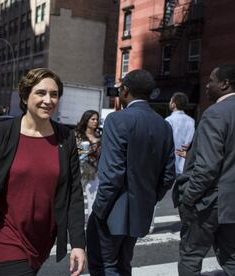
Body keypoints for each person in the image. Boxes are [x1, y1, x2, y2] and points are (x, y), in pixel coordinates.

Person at [0, 68, 86, 276]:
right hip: (5, 235)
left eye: (54, 94)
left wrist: (78, 243)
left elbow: (74, 193)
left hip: (42, 238)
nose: (48, 100)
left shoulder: (65, 138)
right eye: (41, 93)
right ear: (24, 96)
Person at [86, 69, 175, 275]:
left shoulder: (117, 120)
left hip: (111, 210)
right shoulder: (163, 125)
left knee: (104, 266)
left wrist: (99, 210)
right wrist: (149, 198)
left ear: (125, 90)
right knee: (123, 265)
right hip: (140, 209)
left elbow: (113, 173)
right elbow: (168, 175)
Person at [173, 64, 235, 276]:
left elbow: (207, 168)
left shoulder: (215, 113)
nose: (207, 85)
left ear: (225, 84)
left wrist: (188, 198)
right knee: (232, 257)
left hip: (209, 203)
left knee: (191, 257)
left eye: (211, 80)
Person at [148, 92, 195, 234]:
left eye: (170, 100)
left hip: (168, 162)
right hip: (185, 163)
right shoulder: (191, 121)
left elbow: (163, 142)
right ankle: (188, 222)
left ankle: (149, 225)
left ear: (173, 103)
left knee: (155, 194)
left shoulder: (168, 120)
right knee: (186, 196)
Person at [75, 110, 101, 217]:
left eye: (96, 119)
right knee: (75, 199)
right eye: (92, 119)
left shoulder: (99, 136)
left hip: (94, 172)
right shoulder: (77, 135)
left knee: (93, 200)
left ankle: (90, 226)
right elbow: (73, 153)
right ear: (86, 120)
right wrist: (85, 152)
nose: (95, 121)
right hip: (79, 171)